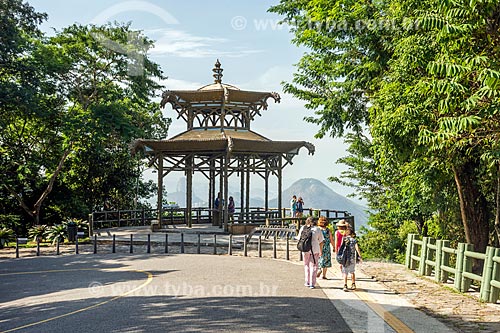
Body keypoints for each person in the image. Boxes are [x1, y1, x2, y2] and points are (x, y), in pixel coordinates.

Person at [298, 216, 324, 289]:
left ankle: (307, 281)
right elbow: (321, 241)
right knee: (314, 266)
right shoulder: (317, 229)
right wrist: (321, 251)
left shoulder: (303, 228)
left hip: (305, 249)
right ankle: (312, 283)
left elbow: (299, 238)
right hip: (315, 249)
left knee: (306, 265)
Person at [341, 227, 362, 291]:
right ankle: (353, 284)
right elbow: (357, 248)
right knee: (352, 272)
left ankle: (345, 285)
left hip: (345, 258)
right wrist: (360, 256)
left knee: (345, 272)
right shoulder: (354, 240)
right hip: (352, 258)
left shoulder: (344, 239)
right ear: (352, 234)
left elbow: (341, 248)